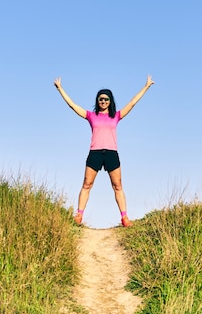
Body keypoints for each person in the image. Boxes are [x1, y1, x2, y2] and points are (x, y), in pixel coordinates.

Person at [54, 75, 155, 227]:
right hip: (95, 153)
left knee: (118, 186)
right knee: (87, 184)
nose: (103, 101)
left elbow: (133, 102)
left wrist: (146, 86)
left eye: (106, 99)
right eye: (101, 99)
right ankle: (79, 215)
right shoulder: (91, 116)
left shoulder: (116, 116)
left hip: (111, 153)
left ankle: (124, 218)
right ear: (97, 101)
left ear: (110, 101)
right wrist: (60, 89)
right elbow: (73, 106)